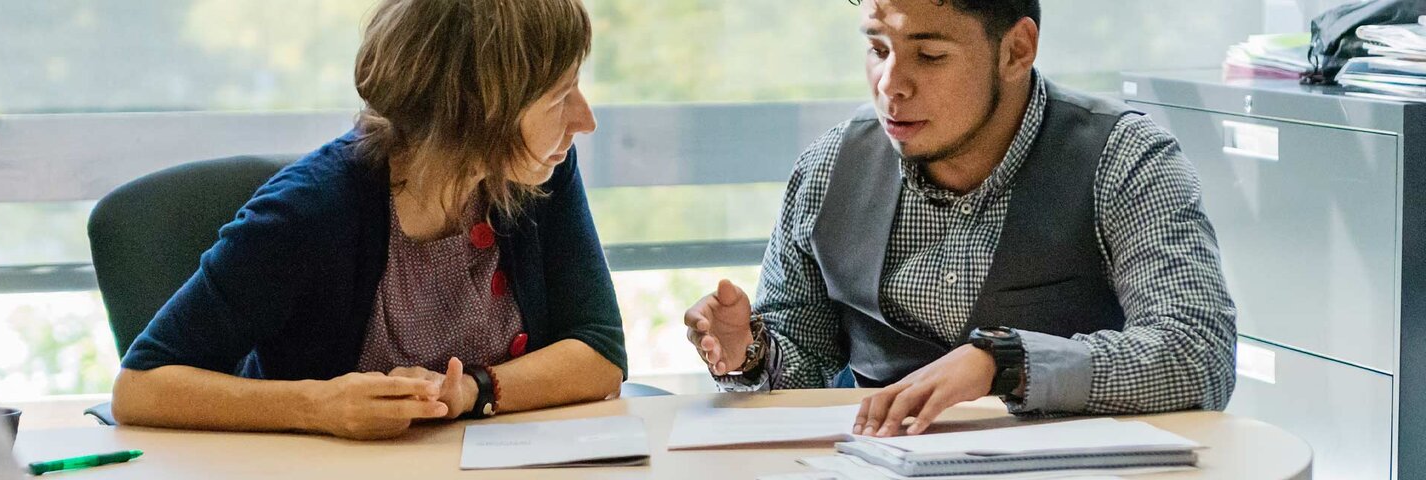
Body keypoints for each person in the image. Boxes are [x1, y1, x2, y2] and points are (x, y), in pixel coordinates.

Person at [685, 0, 1236, 437]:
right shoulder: (828, 167)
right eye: (878, 49)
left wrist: (1004, 363)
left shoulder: (1125, 158)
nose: (890, 84)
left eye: (929, 56)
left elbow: (1198, 354)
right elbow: (803, 364)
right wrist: (749, 352)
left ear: (1017, 50)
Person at [111, 0, 626, 440]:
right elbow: (139, 386)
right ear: (478, 111)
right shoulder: (309, 211)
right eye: (560, 97)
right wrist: (318, 406)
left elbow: (599, 351)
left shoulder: (538, 170)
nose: (585, 119)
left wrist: (473, 389)